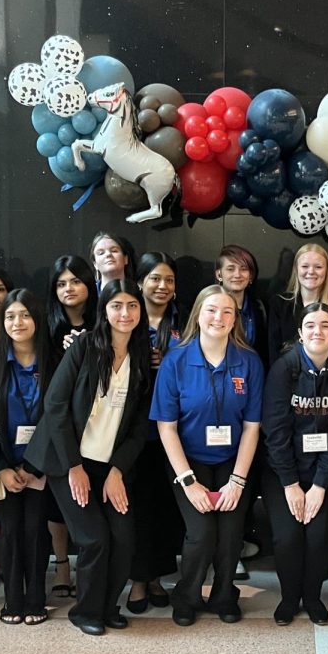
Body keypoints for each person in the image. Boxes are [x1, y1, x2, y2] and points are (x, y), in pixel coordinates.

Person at [24, 279, 152, 636]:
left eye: (131, 306)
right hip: (67, 460)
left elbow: (140, 426)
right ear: (104, 310)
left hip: (109, 465)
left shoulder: (142, 356)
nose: (124, 313)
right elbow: (55, 405)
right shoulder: (84, 346)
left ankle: (107, 606)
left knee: (124, 537)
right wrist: (73, 467)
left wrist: (117, 471)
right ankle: (85, 612)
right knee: (94, 538)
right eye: (116, 306)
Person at [151, 285, 265, 626]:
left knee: (231, 535)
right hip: (189, 461)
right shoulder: (175, 361)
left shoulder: (249, 361)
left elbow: (251, 426)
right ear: (198, 315)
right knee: (201, 534)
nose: (219, 317)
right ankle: (186, 595)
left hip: (234, 460)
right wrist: (188, 482)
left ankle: (224, 594)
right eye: (211, 310)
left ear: (235, 319)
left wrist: (237, 481)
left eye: (227, 311)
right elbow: (166, 428)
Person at [262, 302, 328, 625]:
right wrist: (291, 485)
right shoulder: (283, 369)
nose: (318, 331)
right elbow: (275, 432)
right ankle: (290, 598)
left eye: (325, 326)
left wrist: (318, 486)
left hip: (324, 473)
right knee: (287, 537)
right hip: (282, 471)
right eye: (311, 326)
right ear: (301, 334)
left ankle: (313, 598)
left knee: (318, 537)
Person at [0, 289, 51, 626]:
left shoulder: (54, 360)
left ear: (37, 320)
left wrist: (35, 467)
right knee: (11, 528)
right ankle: (12, 599)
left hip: (41, 467)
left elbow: (60, 417)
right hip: (3, 465)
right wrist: (0, 468)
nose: (18, 323)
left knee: (35, 530)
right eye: (10, 317)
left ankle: (36, 599)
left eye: (25, 315)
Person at [126, 252, 186, 613]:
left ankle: (157, 577)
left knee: (165, 509)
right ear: (140, 283)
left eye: (168, 280)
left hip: (174, 431)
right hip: (134, 430)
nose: (162, 286)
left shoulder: (185, 322)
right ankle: (137, 580)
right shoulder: (127, 317)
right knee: (136, 509)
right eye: (154, 279)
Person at [45, 254, 97, 598]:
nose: (69, 289)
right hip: (57, 426)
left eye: (76, 281)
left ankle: (90, 567)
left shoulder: (102, 323)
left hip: (96, 427)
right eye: (62, 283)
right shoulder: (47, 327)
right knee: (56, 503)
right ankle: (62, 564)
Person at [267, 243, 328, 365]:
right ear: (296, 269)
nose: (311, 272)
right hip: (288, 375)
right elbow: (274, 352)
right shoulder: (279, 303)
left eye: (318, 267)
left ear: (326, 270)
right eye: (305, 266)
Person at [215, 244, 268, 362]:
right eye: (230, 269)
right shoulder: (208, 306)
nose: (237, 274)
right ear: (219, 274)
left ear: (251, 276)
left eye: (243, 269)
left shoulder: (260, 308)